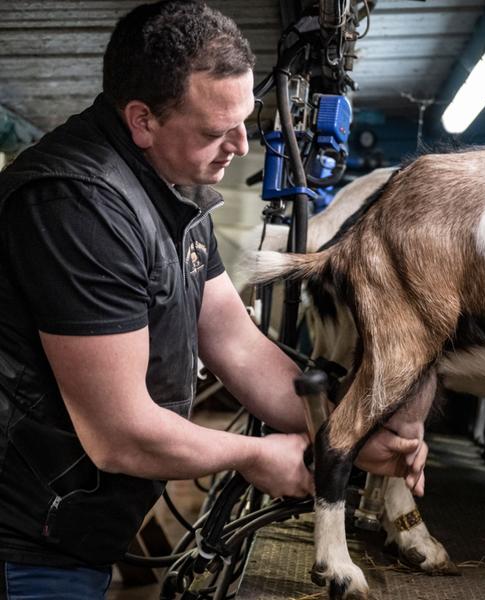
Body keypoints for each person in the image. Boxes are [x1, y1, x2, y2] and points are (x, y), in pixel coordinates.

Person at [0, 2, 428, 597]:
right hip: (24, 543)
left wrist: (350, 430)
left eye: (246, 119)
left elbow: (235, 341)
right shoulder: (77, 205)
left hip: (79, 525)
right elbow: (119, 432)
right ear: (142, 120)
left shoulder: (177, 187)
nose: (239, 144)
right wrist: (253, 456)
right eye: (213, 130)